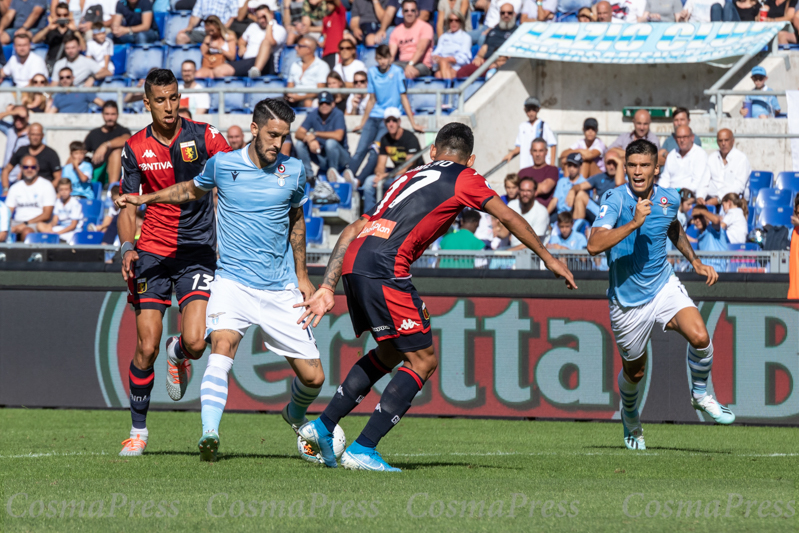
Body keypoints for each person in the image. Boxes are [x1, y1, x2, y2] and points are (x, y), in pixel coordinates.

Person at [294, 122, 576, 471]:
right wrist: (548, 258)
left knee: (390, 351)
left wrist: (326, 286)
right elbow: (507, 215)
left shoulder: (405, 177)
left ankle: (322, 426)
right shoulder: (466, 177)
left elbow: (354, 228)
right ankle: (363, 448)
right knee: (423, 361)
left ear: (432, 151)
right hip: (386, 266)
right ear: (470, 159)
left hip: (356, 259)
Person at [116, 98, 324, 463]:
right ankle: (209, 433)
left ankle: (293, 413)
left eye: (284, 137)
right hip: (231, 280)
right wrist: (146, 198)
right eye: (272, 135)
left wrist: (304, 276)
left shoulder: (294, 170)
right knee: (220, 348)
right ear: (255, 129)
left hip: (280, 287)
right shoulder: (224, 165)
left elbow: (297, 221)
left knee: (314, 379)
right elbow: (188, 191)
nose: (278, 143)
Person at [587, 139, 734, 451]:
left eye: (644, 166)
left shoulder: (669, 198)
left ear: (656, 169)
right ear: (625, 168)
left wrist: (694, 261)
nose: (638, 172)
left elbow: (673, 228)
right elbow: (594, 244)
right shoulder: (614, 199)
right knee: (635, 372)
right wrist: (634, 223)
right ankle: (630, 414)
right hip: (626, 301)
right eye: (632, 166)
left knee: (700, 336)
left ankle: (699, 394)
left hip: (663, 284)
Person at [114, 69, 232, 457]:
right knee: (145, 346)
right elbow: (127, 205)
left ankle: (177, 352)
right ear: (146, 102)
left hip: (197, 250)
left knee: (198, 342)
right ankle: (138, 431)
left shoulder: (206, 136)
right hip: (151, 253)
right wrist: (128, 246)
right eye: (160, 100)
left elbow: (236, 175)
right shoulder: (134, 148)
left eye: (174, 98)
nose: (169, 106)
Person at [350, 44, 423, 177]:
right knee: (360, 150)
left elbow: (403, 97)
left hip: (388, 119)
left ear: (390, 58)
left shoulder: (397, 72)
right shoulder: (372, 72)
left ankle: (358, 180)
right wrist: (362, 123)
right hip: (373, 117)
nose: (383, 61)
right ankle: (347, 178)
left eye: (385, 58)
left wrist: (413, 123)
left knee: (375, 151)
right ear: (376, 59)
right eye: (379, 58)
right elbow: (371, 100)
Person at [360, 106, 421, 213]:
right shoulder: (385, 139)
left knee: (399, 179)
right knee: (370, 181)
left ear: (399, 121)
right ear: (384, 123)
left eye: (394, 120)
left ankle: (396, 215)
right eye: (388, 121)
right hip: (396, 174)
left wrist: (386, 176)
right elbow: (380, 164)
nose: (391, 124)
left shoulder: (410, 138)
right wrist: (379, 174)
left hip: (415, 175)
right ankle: (368, 219)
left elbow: (409, 166)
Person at [294, 90, 352, 184]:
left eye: (327, 103)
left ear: (333, 104)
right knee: (300, 144)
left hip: (341, 159)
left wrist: (315, 134)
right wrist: (310, 140)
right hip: (322, 157)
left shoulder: (338, 114)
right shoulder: (314, 114)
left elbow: (339, 136)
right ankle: (310, 177)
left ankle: (334, 175)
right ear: (318, 104)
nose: (324, 105)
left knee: (331, 143)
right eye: (321, 103)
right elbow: (298, 133)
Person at [219, 5, 287, 79]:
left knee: (266, 42)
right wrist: (242, 46)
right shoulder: (253, 26)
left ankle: (256, 71)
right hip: (248, 62)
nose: (262, 20)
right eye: (259, 18)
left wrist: (269, 23)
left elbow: (270, 41)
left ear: (271, 15)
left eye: (264, 17)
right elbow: (242, 40)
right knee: (220, 71)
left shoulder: (279, 29)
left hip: (268, 64)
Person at [456, 4, 515, 78]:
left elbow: (514, 54)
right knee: (461, 72)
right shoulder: (493, 30)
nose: (506, 15)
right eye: (503, 13)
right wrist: (478, 57)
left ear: (514, 14)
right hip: (487, 62)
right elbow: (484, 47)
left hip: (504, 64)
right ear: (500, 14)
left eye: (509, 13)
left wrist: (498, 63)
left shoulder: (517, 31)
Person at [5, 155, 55, 241]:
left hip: (36, 223)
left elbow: (47, 215)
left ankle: (23, 254)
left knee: (26, 231)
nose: (29, 170)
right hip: (17, 221)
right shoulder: (15, 187)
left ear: (38, 168)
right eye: (26, 167)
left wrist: (25, 224)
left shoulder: (46, 185)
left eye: (33, 167)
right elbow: (7, 212)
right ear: (21, 168)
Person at [569, 150, 627, 223]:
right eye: (609, 163)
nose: (611, 167)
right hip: (600, 210)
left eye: (614, 163)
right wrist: (572, 190)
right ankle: (577, 229)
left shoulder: (626, 177)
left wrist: (620, 163)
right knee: (580, 195)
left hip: (616, 212)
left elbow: (619, 184)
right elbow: (580, 186)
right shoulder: (599, 177)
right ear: (604, 164)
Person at [84, 101, 131, 185]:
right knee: (75, 154)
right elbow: (81, 150)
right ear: (102, 114)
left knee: (116, 151)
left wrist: (105, 145)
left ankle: (111, 189)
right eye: (107, 114)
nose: (110, 117)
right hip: (97, 171)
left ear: (117, 115)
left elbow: (127, 139)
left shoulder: (123, 131)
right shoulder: (94, 133)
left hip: (117, 172)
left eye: (113, 114)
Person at [503, 97, 557, 167]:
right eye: (529, 109)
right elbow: (519, 147)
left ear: (538, 109)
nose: (531, 112)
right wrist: (511, 153)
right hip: (526, 165)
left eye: (534, 109)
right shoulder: (522, 126)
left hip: (542, 166)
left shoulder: (544, 125)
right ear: (525, 110)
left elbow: (553, 145)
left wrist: (552, 165)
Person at [3, 122, 61, 188]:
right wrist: (5, 189)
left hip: (44, 193)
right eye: (33, 134)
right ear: (28, 135)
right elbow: (6, 170)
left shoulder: (51, 154)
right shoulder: (21, 151)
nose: (35, 137)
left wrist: (46, 190)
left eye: (38, 135)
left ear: (42, 135)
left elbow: (58, 178)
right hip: (24, 192)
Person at [703, 129, 751, 205]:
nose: (723, 143)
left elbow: (739, 186)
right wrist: (700, 196)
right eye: (720, 141)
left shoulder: (741, 159)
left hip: (733, 200)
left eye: (726, 140)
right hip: (710, 199)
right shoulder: (712, 158)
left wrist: (719, 199)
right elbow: (704, 181)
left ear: (733, 141)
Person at [388, 0, 434, 80]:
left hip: (421, 64)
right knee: (389, 72)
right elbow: (391, 54)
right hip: (402, 63)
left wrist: (410, 64)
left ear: (417, 12)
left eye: (412, 10)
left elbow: (421, 49)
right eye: (406, 11)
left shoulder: (426, 27)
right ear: (402, 13)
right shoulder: (396, 30)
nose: (409, 13)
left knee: (409, 73)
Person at [34, 2, 84, 73]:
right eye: (59, 15)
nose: (62, 17)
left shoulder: (73, 31)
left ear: (68, 15)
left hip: (69, 65)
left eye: (65, 15)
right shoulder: (51, 30)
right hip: (52, 65)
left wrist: (75, 31)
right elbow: (34, 40)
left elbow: (83, 48)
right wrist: (48, 28)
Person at [659, 126, 709, 195]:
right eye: (679, 137)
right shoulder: (672, 154)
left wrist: (682, 195)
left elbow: (697, 182)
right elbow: (665, 179)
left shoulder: (700, 154)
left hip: (689, 197)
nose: (682, 140)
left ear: (692, 137)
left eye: (685, 137)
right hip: (670, 196)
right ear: (675, 139)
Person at [286, 36, 330, 107]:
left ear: (308, 50)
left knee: (308, 103)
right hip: (294, 98)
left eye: (299, 46)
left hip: (309, 98)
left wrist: (300, 97)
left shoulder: (322, 66)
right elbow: (290, 86)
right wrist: (290, 95)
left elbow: (320, 90)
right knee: (271, 103)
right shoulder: (295, 65)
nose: (296, 48)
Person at [517, 137, 558, 215]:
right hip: (523, 212)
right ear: (530, 152)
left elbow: (545, 188)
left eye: (541, 151)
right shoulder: (522, 172)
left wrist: (524, 188)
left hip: (544, 214)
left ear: (546, 152)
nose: (538, 154)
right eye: (535, 151)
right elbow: (516, 191)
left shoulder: (552, 170)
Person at [37, 177, 83, 242]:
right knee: (40, 225)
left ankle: (53, 238)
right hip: (61, 227)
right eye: (61, 190)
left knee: (53, 234)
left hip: (73, 231)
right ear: (58, 190)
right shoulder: (58, 202)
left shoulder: (75, 204)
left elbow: (73, 225)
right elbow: (54, 221)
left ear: (71, 190)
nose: (64, 192)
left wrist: (57, 233)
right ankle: (52, 237)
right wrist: (49, 228)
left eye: (66, 189)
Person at [508, 177, 549, 246]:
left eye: (528, 191)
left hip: (533, 254)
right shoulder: (512, 205)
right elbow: (503, 233)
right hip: (513, 251)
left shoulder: (541, 212)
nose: (525, 194)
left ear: (535, 193)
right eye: (522, 190)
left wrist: (508, 253)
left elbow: (533, 243)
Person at [431, 10, 471, 80]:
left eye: (456, 20)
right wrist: (444, 60)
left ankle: (447, 88)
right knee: (442, 66)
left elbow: (464, 58)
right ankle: (449, 89)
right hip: (442, 65)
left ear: (461, 22)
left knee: (439, 74)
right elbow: (435, 55)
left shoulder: (466, 37)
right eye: (451, 20)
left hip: (457, 66)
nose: (453, 23)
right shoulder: (443, 37)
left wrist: (450, 59)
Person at [0, 105, 30, 192]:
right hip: (6, 177)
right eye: (15, 117)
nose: (18, 120)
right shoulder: (10, 130)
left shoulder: (33, 133)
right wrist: (12, 112)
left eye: (21, 118)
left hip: (21, 178)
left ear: (27, 118)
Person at [320, 0, 346, 68]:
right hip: (325, 52)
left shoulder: (340, 14)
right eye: (327, 3)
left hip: (335, 50)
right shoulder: (325, 18)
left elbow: (338, 3)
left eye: (331, 3)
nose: (329, 5)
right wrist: (321, 41)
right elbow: (324, 34)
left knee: (334, 73)